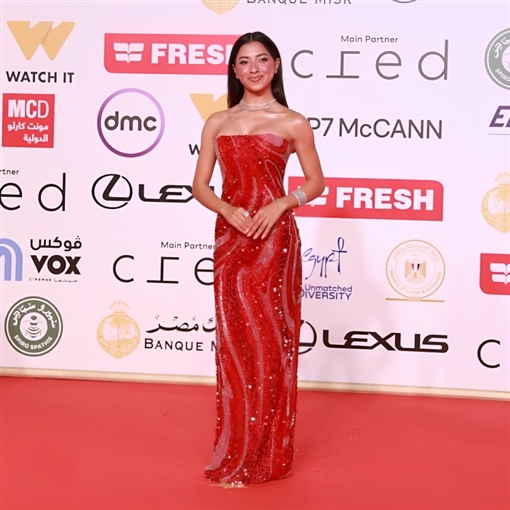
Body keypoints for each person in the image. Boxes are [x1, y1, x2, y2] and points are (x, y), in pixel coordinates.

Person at [192, 31, 325, 485]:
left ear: (276, 65)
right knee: (234, 344)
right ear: (234, 70)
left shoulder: (293, 122)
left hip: (274, 241)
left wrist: (282, 203)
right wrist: (227, 209)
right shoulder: (217, 121)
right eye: (244, 61)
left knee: (271, 343)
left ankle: (269, 454)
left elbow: (316, 181)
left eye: (262, 59)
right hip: (231, 240)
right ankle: (237, 448)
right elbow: (199, 185)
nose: (253, 68)